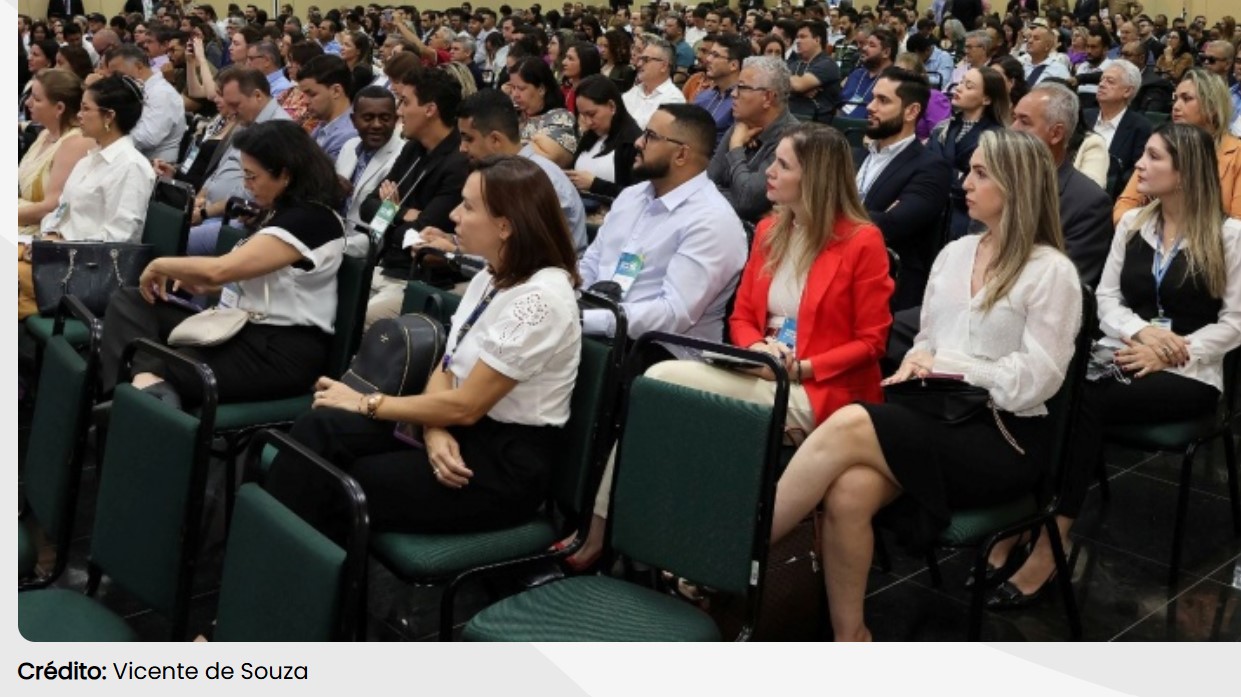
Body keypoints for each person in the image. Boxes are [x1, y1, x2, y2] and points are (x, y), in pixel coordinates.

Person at [772, 129, 1082, 641]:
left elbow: (1036, 382)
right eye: (970, 171)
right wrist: (920, 359)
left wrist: (950, 365)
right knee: (848, 492)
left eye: (980, 174)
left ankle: (737, 551)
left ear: (1016, 186)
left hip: (1002, 435)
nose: (966, 183)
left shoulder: (1052, 272)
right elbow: (928, 339)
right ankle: (851, 637)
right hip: (937, 414)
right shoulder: (956, 253)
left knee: (850, 420)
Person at [984, 123, 1241, 610]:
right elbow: (1105, 300)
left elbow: (1235, 324)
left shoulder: (1230, 236)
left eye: (1154, 157)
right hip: (1123, 355)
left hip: (1189, 375)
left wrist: (1173, 350)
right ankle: (1027, 518)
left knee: (1081, 399)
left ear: (1186, 173)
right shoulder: (1134, 224)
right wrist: (1143, 334)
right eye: (1143, 154)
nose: (1139, 164)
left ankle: (1050, 542)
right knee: (1050, 388)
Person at [284, 155, 583, 534]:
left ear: (505, 226)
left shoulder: (540, 300)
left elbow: (467, 405)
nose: (454, 215)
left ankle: (299, 560)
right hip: (456, 424)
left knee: (349, 482)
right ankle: (272, 553)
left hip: (501, 462)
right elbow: (448, 362)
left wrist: (366, 402)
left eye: (468, 207)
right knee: (320, 429)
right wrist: (433, 429)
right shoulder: (491, 276)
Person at [561, 103, 749, 570]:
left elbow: (673, 313)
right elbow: (592, 265)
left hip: (665, 350)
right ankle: (540, 498)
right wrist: (568, 302)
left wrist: (585, 321)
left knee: (599, 372)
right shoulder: (632, 197)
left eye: (650, 136)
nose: (638, 144)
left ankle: (591, 527)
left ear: (681, 153)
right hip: (604, 325)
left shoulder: (712, 220)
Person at [98, 121, 346, 408]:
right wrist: (209, 285)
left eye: (252, 176)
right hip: (239, 325)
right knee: (133, 302)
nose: (247, 185)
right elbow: (249, 278)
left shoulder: (312, 220)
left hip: (277, 351)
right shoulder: (281, 212)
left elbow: (221, 270)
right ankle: (135, 395)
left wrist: (161, 265)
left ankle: (129, 401)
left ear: (285, 175)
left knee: (159, 362)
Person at [359, 68, 469, 327]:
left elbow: (418, 238)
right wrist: (401, 212)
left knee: (358, 315)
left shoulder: (458, 163)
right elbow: (367, 208)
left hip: (417, 279)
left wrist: (389, 212)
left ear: (430, 109)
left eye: (405, 102)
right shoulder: (413, 149)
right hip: (384, 265)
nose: (399, 111)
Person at [855, 67, 951, 311]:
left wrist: (833, 211)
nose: (871, 107)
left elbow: (891, 225)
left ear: (911, 111)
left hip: (887, 287)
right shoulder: (856, 156)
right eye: (873, 97)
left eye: (883, 100)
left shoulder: (931, 167)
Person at [454, 89, 588, 253]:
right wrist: (452, 241)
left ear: (495, 139)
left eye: (468, 138)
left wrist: (456, 252)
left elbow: (529, 257)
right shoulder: (500, 174)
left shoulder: (539, 179)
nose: (462, 148)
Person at [33, 74, 155, 245]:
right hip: (61, 249)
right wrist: (50, 234)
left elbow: (120, 237)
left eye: (86, 109)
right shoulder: (88, 159)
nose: (79, 115)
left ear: (109, 116)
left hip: (88, 257)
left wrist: (60, 246)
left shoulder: (130, 166)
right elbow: (62, 210)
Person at [188, 67, 293, 256]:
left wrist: (205, 212)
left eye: (235, 104)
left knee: (176, 237)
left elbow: (253, 192)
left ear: (257, 96)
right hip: (211, 210)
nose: (230, 112)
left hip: (239, 218)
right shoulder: (246, 120)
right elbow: (220, 168)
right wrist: (200, 199)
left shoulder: (280, 130)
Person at [1114, 69, 1241, 223]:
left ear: (1213, 107)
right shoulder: (1160, 146)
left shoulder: (1237, 154)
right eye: (1175, 99)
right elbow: (1124, 207)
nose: (1176, 107)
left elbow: (1238, 224)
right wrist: (1151, 230)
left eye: (1186, 99)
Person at [708, 56, 800, 223]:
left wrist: (736, 147)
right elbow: (707, 182)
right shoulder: (742, 125)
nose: (733, 94)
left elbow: (747, 201)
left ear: (768, 98)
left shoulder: (791, 138)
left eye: (742, 87)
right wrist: (732, 196)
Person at [928, 66, 1011, 239]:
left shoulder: (996, 138)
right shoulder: (943, 128)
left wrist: (940, 172)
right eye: (961, 82)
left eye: (969, 86)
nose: (958, 88)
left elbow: (974, 185)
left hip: (966, 217)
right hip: (933, 206)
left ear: (986, 99)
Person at [336, 86, 403, 246]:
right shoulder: (349, 146)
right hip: (333, 235)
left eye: (385, 118)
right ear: (353, 120)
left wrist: (336, 246)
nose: (377, 125)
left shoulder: (402, 157)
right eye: (368, 118)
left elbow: (383, 225)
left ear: (395, 120)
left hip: (365, 247)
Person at [102, 44, 187, 164]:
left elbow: (148, 138)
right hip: (132, 159)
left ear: (139, 67)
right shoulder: (137, 91)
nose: (113, 79)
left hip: (155, 166)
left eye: (116, 74)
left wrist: (108, 135)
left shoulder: (162, 93)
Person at [565, 74, 641, 199]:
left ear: (612, 106)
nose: (588, 122)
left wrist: (596, 185)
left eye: (592, 114)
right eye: (583, 115)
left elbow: (640, 196)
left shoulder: (632, 142)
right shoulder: (590, 135)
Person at [1084, 61, 1152, 195]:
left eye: (1110, 81)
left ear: (1127, 91)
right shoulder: (1084, 116)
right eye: (1101, 80)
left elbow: (1134, 173)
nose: (1101, 84)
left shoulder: (1140, 127)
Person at [508, 57, 577, 167]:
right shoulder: (516, 116)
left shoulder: (561, 119)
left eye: (521, 89)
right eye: (512, 88)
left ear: (541, 89)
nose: (515, 94)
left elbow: (550, 158)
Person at [298, 54, 359, 161]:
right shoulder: (324, 123)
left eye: (312, 94)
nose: (305, 101)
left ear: (336, 91)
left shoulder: (347, 137)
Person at [693, 33, 750, 143]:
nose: (708, 59)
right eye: (710, 54)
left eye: (715, 55)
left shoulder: (742, 104)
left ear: (733, 65)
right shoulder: (703, 96)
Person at [622, 34, 686, 129]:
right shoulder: (634, 91)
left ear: (664, 66)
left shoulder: (674, 100)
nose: (639, 64)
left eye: (646, 60)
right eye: (641, 59)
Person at [838, 27, 897, 118]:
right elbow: (839, 103)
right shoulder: (856, 74)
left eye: (871, 45)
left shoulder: (893, 81)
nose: (864, 48)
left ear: (886, 52)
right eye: (866, 44)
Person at [560, 41, 600, 114]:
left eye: (570, 59)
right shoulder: (564, 89)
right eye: (566, 57)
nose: (564, 62)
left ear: (585, 63)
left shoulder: (593, 97)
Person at [340, 29, 375, 94]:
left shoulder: (362, 71)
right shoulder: (342, 65)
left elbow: (349, 95)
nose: (342, 48)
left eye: (347, 45)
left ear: (358, 51)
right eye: (342, 44)